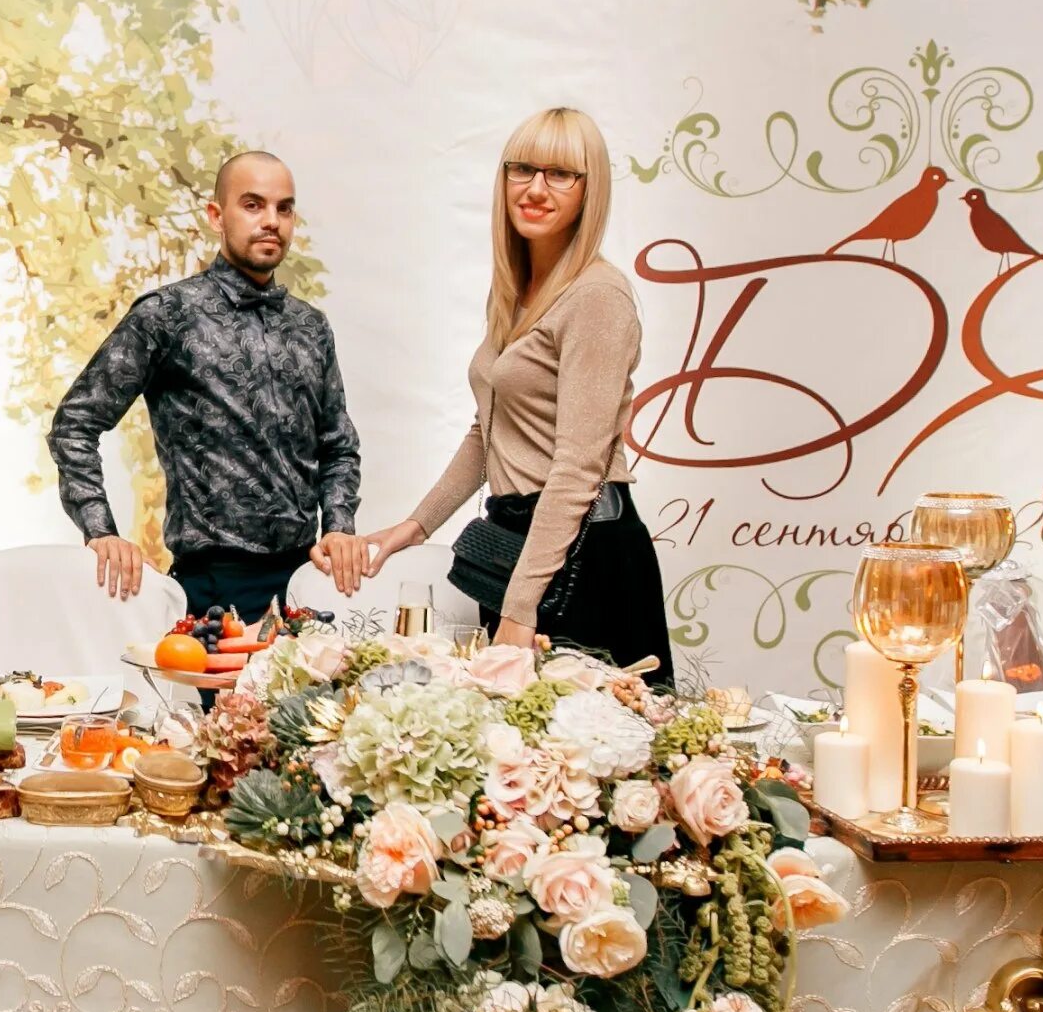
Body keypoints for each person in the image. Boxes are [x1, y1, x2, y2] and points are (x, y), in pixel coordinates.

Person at [350, 108, 673, 675]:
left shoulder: (597, 297)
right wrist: (416, 526)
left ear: (590, 190)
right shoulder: (518, 291)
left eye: (561, 174)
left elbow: (577, 468)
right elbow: (489, 432)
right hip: (518, 549)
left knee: (589, 729)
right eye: (522, 169)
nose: (536, 189)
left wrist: (520, 610)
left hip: (582, 559)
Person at [48, 152, 370, 621]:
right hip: (211, 590)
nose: (271, 221)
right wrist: (100, 532)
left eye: (283, 208)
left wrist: (340, 527)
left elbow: (338, 446)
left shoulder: (310, 326)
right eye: (253, 205)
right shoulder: (168, 315)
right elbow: (74, 424)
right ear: (217, 216)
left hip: (308, 588)